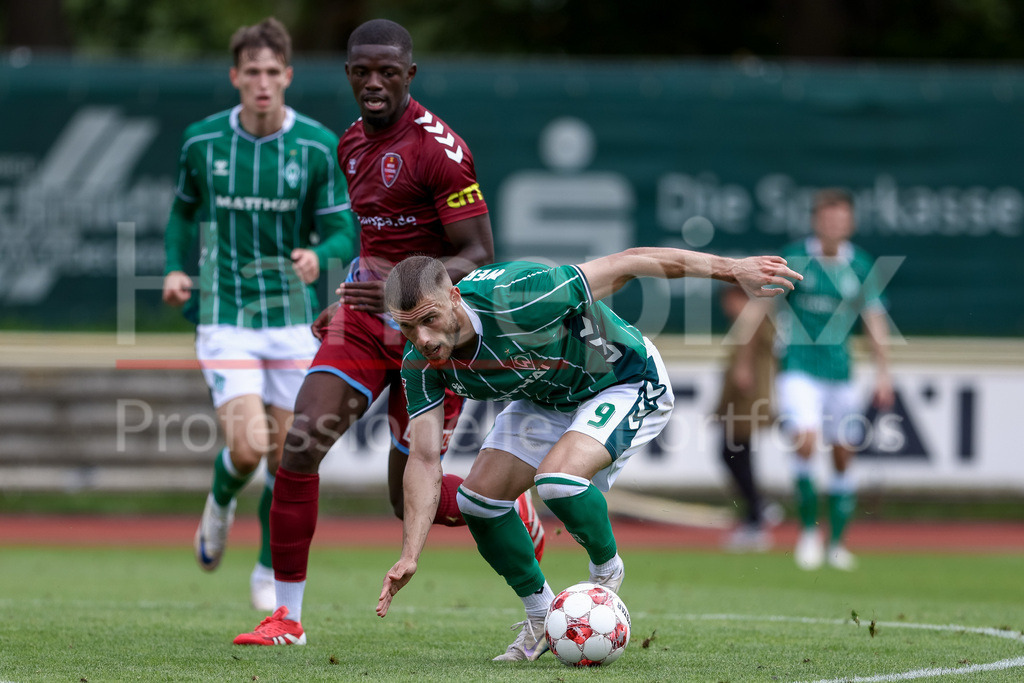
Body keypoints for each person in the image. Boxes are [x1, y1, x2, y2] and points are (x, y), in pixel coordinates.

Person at [233, 18, 542, 646]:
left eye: (387, 72)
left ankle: (506, 504)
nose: (373, 83)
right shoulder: (350, 144)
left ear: (410, 75)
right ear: (349, 73)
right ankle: (286, 617)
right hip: (365, 323)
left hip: (434, 339)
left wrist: (406, 284)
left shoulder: (439, 150)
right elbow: (375, 241)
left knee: (408, 502)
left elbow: (479, 252)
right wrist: (348, 292)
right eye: (361, 72)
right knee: (300, 444)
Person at [374, 247, 802, 661]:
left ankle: (605, 574)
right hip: (546, 397)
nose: (422, 339)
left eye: (428, 320)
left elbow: (631, 262)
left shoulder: (522, 297)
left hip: (624, 379)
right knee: (477, 502)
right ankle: (542, 616)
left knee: (557, 481)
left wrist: (733, 269)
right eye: (408, 329)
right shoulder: (419, 363)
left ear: (454, 296)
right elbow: (426, 459)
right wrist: (410, 554)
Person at [162, 17, 359, 611]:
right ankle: (221, 503)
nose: (263, 82)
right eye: (253, 72)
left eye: (274, 72)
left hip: (291, 320)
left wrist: (317, 254)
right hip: (226, 315)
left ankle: (269, 567)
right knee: (247, 449)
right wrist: (176, 268)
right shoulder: (203, 141)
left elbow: (342, 229)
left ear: (288, 76)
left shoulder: (317, 145)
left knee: (288, 454)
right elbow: (181, 213)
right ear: (236, 77)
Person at [774, 188, 893, 571]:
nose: (834, 225)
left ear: (850, 223)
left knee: (843, 454)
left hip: (841, 372)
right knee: (806, 441)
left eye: (841, 219)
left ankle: (837, 543)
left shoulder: (860, 265)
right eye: (827, 218)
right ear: (816, 221)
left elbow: (875, 321)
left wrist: (883, 373)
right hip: (797, 366)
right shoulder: (794, 258)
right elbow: (763, 308)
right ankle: (808, 531)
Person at [714, 284, 782, 552]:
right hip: (738, 399)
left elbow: (745, 362)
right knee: (736, 454)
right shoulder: (746, 323)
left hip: (747, 400)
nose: (726, 307)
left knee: (734, 453)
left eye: (730, 299)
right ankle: (756, 509)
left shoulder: (756, 317)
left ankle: (757, 512)